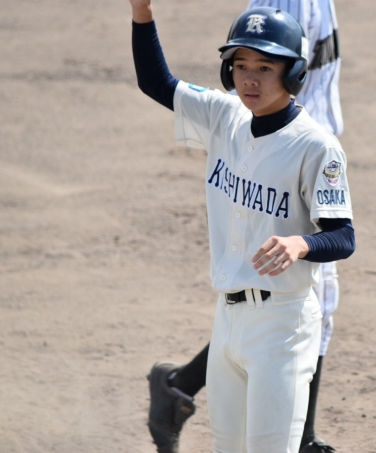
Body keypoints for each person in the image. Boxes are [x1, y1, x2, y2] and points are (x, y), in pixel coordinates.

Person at [128, 1, 355, 453]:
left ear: (293, 74)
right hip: (227, 320)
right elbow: (156, 83)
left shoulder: (316, 146)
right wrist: (142, 12)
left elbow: (343, 236)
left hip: (283, 325)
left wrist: (301, 244)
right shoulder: (224, 115)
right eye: (240, 65)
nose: (250, 79)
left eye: (265, 68)